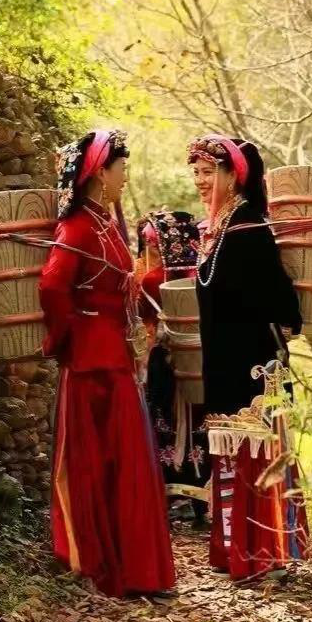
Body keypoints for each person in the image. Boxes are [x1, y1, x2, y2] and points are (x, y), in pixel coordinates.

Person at [39, 129, 175, 598]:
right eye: (121, 168)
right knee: (97, 462)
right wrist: (66, 337)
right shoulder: (77, 226)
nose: (125, 177)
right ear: (100, 172)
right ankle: (102, 561)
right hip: (90, 362)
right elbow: (52, 286)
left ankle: (134, 566)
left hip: (114, 358)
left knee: (124, 460)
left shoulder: (105, 223)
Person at [187, 133, 308, 580]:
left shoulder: (251, 229)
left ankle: (265, 552)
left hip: (255, 365)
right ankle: (235, 551)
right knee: (231, 453)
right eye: (196, 173)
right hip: (225, 362)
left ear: (234, 176)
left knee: (257, 451)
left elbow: (280, 299)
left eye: (208, 172)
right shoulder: (218, 231)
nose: (200, 181)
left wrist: (286, 322)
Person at [134, 212, 210, 527]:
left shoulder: (152, 281)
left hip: (164, 360)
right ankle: (200, 499)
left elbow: (143, 318)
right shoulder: (204, 276)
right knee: (199, 423)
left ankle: (166, 493)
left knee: (163, 421)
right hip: (199, 360)